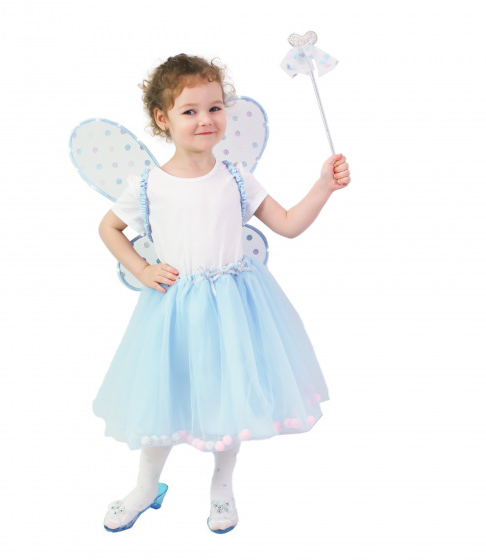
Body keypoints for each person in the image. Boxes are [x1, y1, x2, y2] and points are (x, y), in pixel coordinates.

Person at [94, 54, 351, 534]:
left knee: (228, 399)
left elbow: (288, 224)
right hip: (173, 312)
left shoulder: (235, 177)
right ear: (162, 118)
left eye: (214, 108)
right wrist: (142, 268)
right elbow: (109, 228)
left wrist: (323, 187)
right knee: (163, 396)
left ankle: (222, 487)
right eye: (189, 110)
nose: (205, 119)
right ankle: (147, 487)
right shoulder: (149, 184)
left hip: (234, 309)